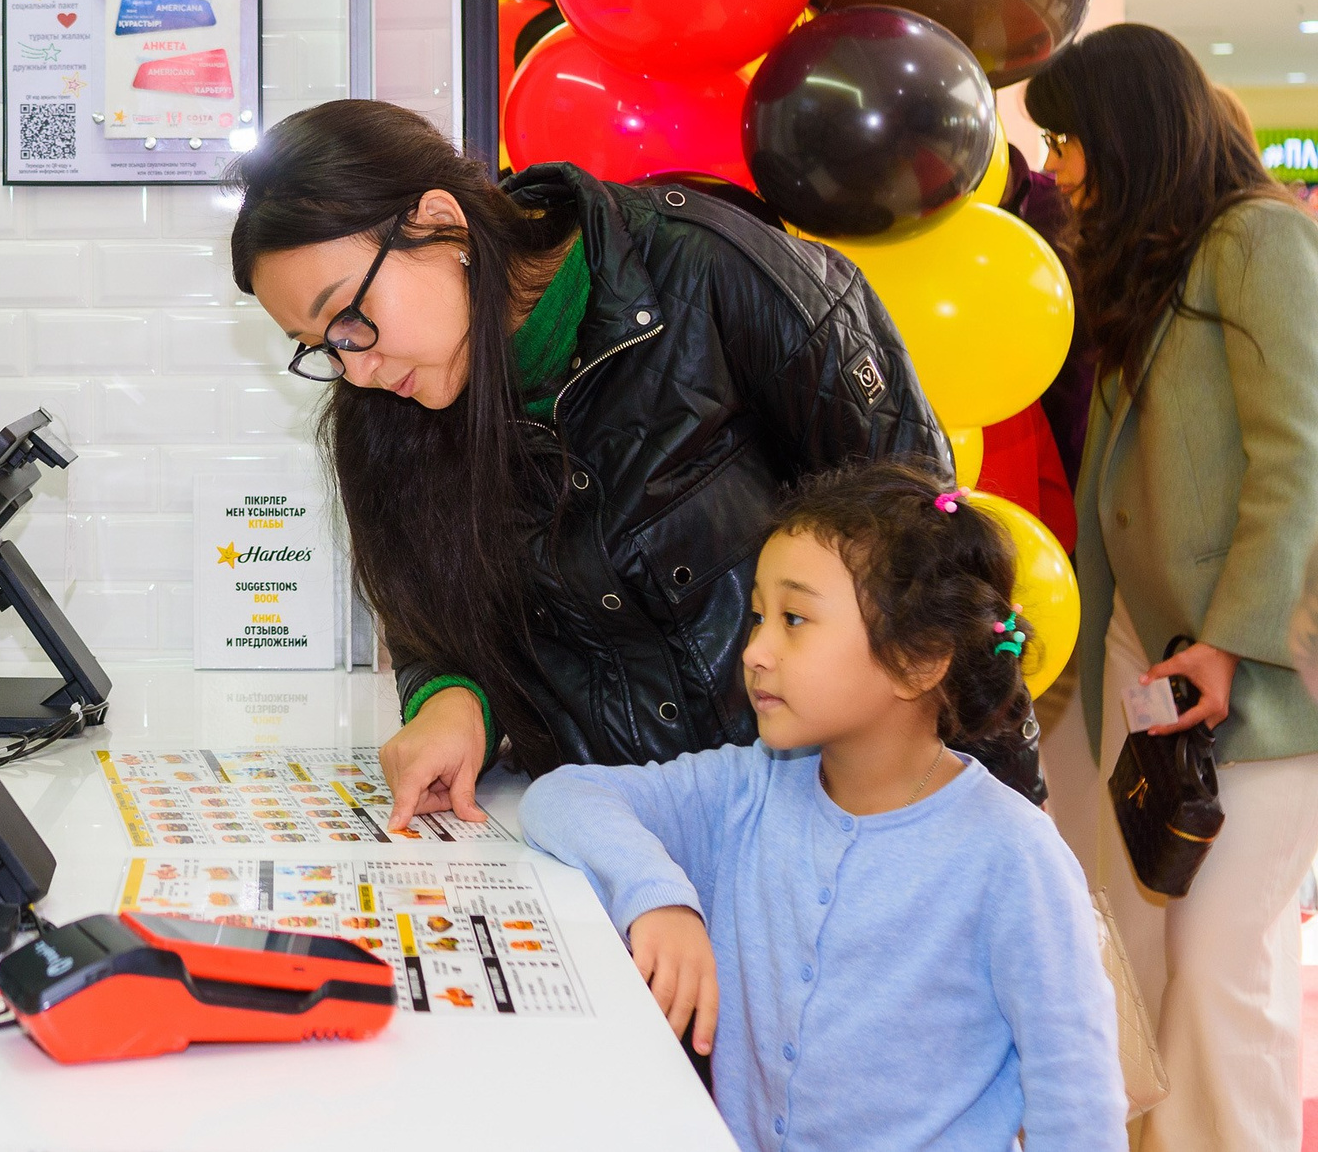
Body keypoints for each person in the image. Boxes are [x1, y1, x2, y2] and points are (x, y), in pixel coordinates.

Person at [226, 98, 1023, 828]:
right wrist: (452, 700)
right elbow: (436, 621)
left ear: (441, 223)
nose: (355, 368)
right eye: (322, 348)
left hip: (832, 829)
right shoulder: (387, 418)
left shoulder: (707, 273)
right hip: (624, 854)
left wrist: (1000, 833)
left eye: (348, 318)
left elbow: (936, 564)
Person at [522, 461, 1121, 1151]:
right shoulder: (750, 788)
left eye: (795, 618)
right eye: (757, 616)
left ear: (920, 658)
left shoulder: (1011, 853)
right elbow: (564, 796)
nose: (755, 651)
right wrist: (658, 895)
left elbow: (1078, 1106)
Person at [1027, 23, 1318, 1152]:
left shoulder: (1256, 241)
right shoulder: (1159, 259)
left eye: (1067, 138)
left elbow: (1300, 455)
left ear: (1129, 130)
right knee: (1140, 963)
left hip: (1254, 675)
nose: (1054, 164)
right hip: (1146, 664)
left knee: (1215, 970)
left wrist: (1232, 636)